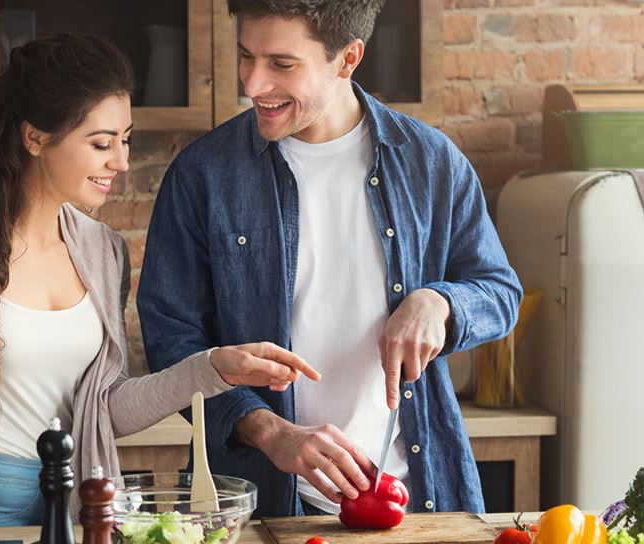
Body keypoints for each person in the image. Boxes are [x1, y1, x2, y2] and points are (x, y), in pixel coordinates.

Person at [0, 33, 318, 535]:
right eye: (102, 143)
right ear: (36, 137)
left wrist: (213, 368)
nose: (121, 162)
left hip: (80, 504)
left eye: (124, 140)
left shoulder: (103, 251)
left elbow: (104, 409)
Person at [138, 0, 523, 518]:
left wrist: (440, 302)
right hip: (262, 505)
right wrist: (271, 432)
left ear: (348, 58)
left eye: (282, 64)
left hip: (416, 500)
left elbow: (499, 291)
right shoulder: (202, 175)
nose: (252, 84)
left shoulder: (430, 161)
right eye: (246, 56)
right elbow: (171, 341)